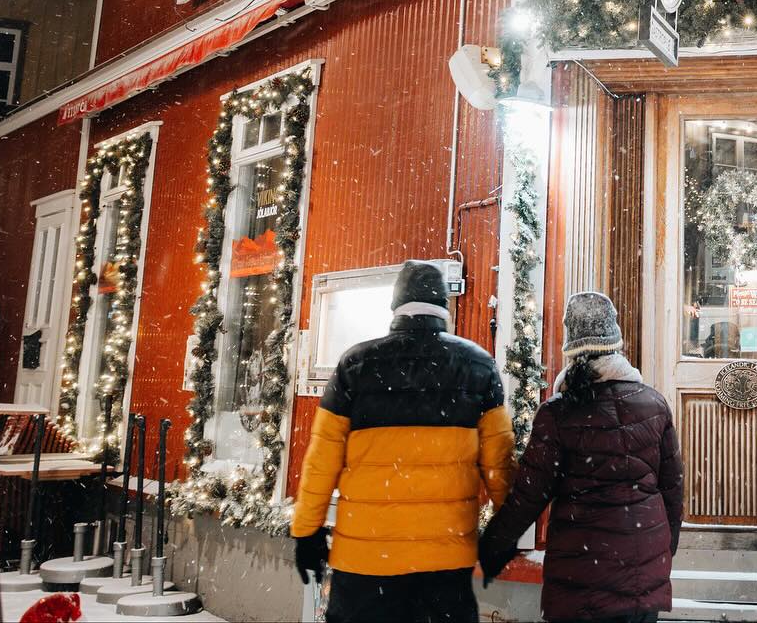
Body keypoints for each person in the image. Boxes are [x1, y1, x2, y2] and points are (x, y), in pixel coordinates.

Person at [291, 260, 515, 623]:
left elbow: (322, 460)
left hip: (365, 562)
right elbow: (500, 465)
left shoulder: (355, 365)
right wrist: (502, 538)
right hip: (445, 563)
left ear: (395, 307)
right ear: (444, 307)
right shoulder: (478, 366)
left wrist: (307, 532)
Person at [479, 292, 682, 623]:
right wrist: (662, 550)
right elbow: (672, 488)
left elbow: (529, 496)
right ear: (615, 342)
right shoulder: (654, 404)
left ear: (571, 348)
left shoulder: (557, 413)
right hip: (641, 573)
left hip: (580, 574)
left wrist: (493, 546)